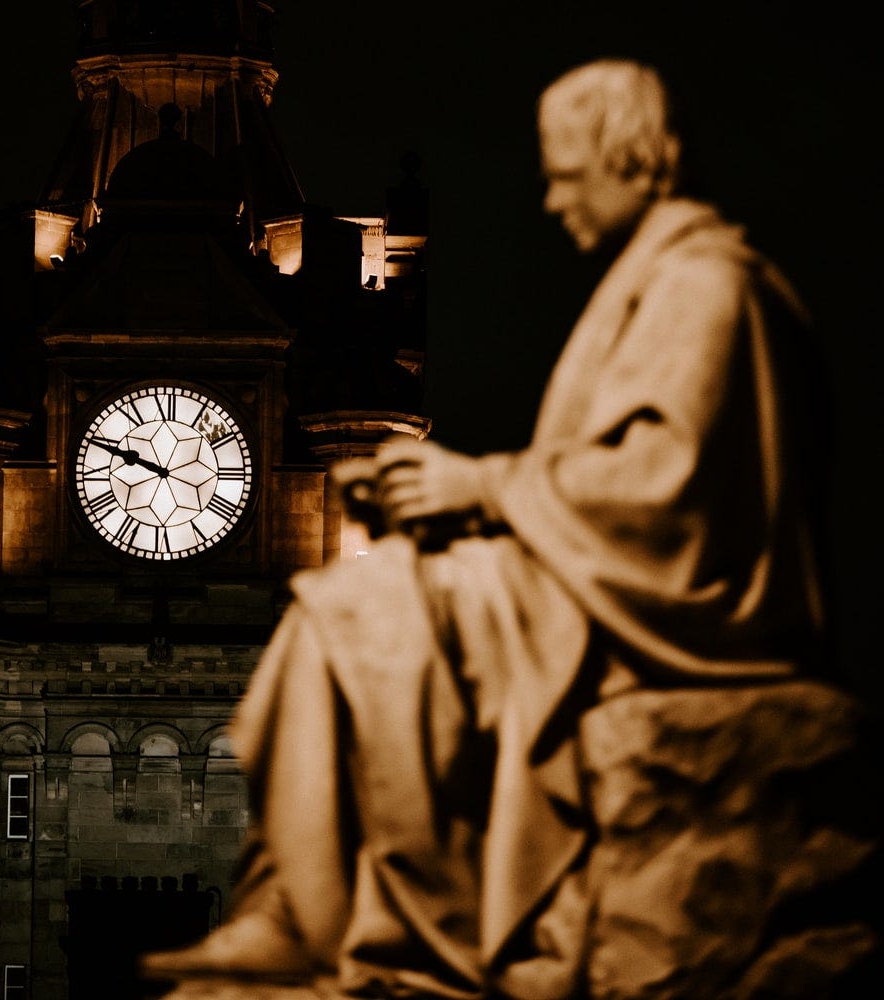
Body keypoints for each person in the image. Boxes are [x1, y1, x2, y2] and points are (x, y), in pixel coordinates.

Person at [141, 59, 827, 998]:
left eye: (569, 173)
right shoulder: (656, 284)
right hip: (599, 567)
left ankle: (344, 910)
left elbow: (668, 485)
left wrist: (482, 488)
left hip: (666, 595)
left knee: (363, 608)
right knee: (350, 600)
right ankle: (311, 905)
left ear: (635, 163)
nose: (550, 200)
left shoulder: (703, 287)